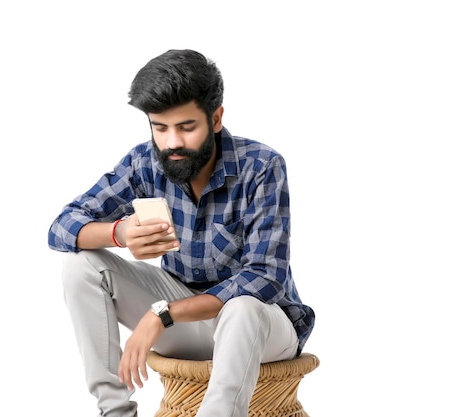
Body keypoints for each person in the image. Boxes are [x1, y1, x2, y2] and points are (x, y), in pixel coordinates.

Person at [48, 49, 315, 417]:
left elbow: (264, 279)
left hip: (262, 325)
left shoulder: (262, 167)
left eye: (186, 127)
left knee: (243, 307)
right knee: (80, 267)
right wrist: (119, 232)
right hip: (183, 323)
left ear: (216, 118)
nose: (172, 141)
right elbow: (61, 227)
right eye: (160, 128)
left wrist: (163, 313)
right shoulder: (145, 162)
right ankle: (115, 412)